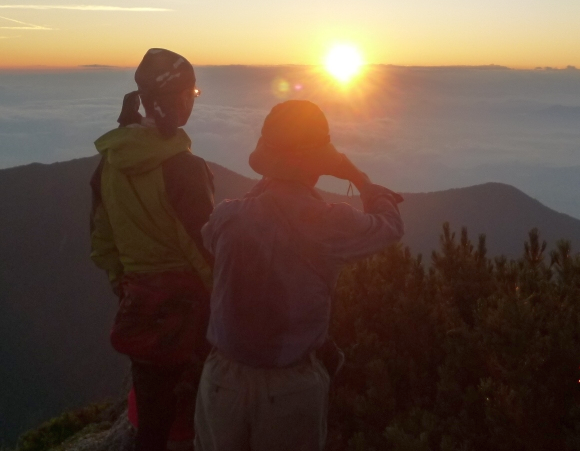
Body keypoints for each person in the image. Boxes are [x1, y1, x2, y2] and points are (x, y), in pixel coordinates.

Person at [194, 99, 404, 451]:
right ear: (318, 164)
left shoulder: (227, 218)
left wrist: (271, 180)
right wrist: (362, 181)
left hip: (221, 382)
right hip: (289, 388)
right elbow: (390, 227)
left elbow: (210, 238)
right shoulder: (328, 224)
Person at [90, 48, 215, 451]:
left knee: (151, 417)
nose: (191, 101)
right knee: (191, 415)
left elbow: (102, 238)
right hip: (189, 313)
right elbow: (202, 249)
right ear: (178, 100)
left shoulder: (110, 162)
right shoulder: (184, 169)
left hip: (138, 305)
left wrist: (123, 282)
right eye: (192, 93)